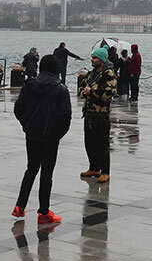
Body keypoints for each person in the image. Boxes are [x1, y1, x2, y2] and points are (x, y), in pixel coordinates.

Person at [12, 55, 72, 224]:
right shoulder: (61, 89)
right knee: (46, 174)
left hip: (32, 135)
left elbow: (18, 108)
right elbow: (65, 117)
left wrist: (27, 125)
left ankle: (20, 206)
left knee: (31, 169)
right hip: (50, 138)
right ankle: (44, 212)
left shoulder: (29, 85)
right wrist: (57, 133)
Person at [80, 47, 117, 183]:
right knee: (89, 143)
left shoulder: (109, 73)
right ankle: (94, 167)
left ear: (101, 59)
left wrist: (92, 91)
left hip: (101, 114)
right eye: (92, 57)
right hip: (89, 112)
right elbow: (82, 87)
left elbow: (109, 92)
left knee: (102, 144)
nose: (92, 60)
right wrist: (84, 91)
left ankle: (105, 171)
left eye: (94, 58)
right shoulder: (91, 74)